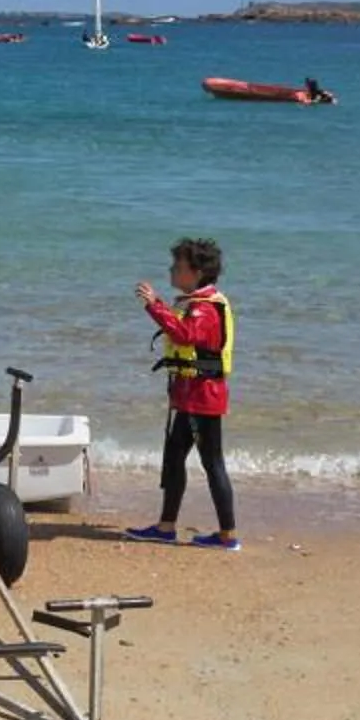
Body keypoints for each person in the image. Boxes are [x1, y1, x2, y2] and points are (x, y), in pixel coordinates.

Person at [125, 236, 239, 550]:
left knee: (212, 463)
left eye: (178, 266)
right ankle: (165, 527)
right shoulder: (196, 304)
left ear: (197, 272)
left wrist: (154, 305)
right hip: (189, 395)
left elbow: (185, 335)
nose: (172, 271)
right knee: (174, 459)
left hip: (203, 398)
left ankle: (227, 534)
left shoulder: (205, 309)